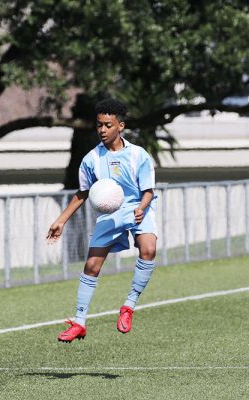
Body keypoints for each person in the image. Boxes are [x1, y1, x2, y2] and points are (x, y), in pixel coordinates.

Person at [47, 98, 158, 343]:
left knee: (148, 250)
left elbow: (148, 190)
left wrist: (141, 208)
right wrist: (60, 221)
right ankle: (79, 322)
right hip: (110, 214)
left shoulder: (138, 155)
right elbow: (83, 192)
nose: (102, 130)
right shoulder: (91, 160)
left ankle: (128, 306)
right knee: (92, 266)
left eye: (108, 125)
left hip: (138, 207)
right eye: (99, 125)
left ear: (121, 126)